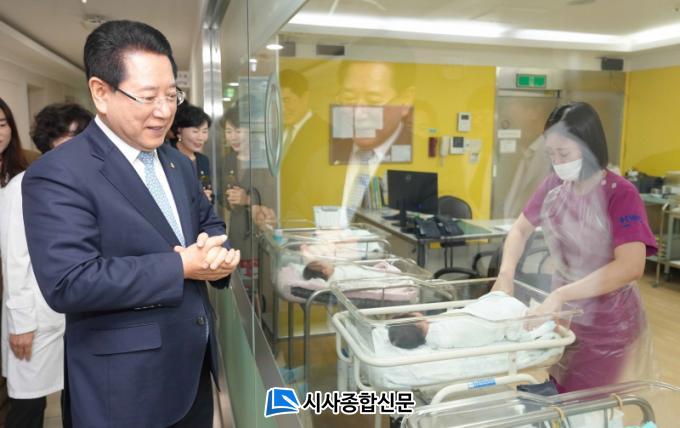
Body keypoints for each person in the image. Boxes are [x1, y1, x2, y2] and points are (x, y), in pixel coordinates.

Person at [22, 20, 240, 427]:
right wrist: (181, 266)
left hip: (193, 372)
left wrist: (219, 255)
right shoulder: (59, 173)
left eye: (171, 95)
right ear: (100, 93)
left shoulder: (176, 162)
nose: (165, 111)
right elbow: (69, 282)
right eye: (148, 97)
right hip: (125, 389)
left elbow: (208, 224)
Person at [491, 102, 657, 393]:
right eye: (551, 154)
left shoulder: (621, 194)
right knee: (559, 390)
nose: (557, 162)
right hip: (565, 314)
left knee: (587, 403)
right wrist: (506, 275)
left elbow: (630, 266)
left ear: (590, 146)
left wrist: (560, 295)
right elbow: (519, 229)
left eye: (564, 154)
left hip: (607, 322)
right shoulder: (555, 186)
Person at [336, 61, 415, 211]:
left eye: (374, 101)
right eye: (348, 97)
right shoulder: (321, 157)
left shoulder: (429, 161)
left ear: (405, 100)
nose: (358, 114)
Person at [171, 103, 213, 202]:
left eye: (204, 131)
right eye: (195, 131)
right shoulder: (168, 157)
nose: (200, 138)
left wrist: (208, 198)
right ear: (179, 131)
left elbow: (209, 192)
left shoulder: (203, 160)